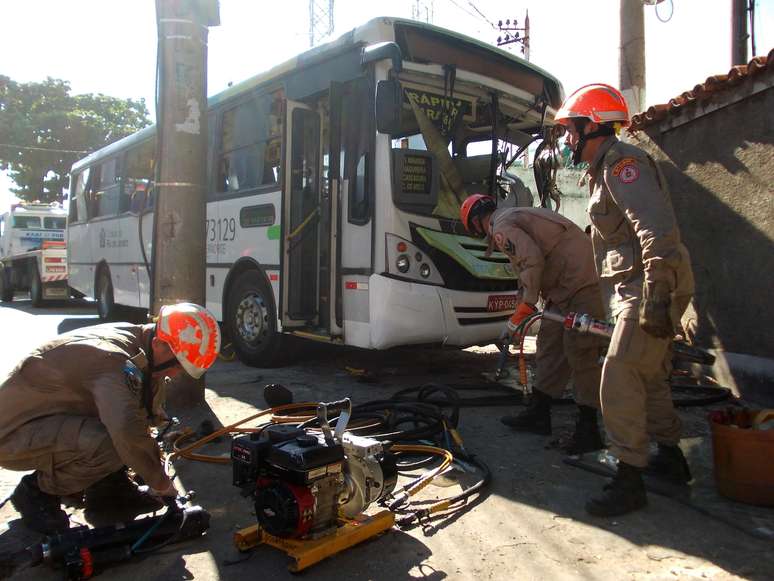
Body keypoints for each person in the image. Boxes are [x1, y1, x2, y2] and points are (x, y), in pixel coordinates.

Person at [554, 83, 695, 517]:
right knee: (647, 375)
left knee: (617, 373)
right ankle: (671, 458)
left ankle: (630, 477)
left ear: (592, 126)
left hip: (650, 286)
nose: (567, 140)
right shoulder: (600, 172)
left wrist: (656, 294)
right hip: (633, 288)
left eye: (572, 130)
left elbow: (656, 229)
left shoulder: (623, 165)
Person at [0, 303, 221, 534]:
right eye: (178, 365)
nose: (176, 373)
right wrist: (161, 484)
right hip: (12, 433)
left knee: (128, 427)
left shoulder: (140, 342)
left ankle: (109, 489)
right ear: (160, 344)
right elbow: (125, 428)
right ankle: (38, 492)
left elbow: (138, 416)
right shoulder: (113, 359)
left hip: (46, 419)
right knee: (110, 444)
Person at [459, 194, 607, 455]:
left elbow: (531, 261)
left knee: (580, 352)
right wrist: (520, 309)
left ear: (474, 224)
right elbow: (524, 269)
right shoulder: (508, 218)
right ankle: (539, 413)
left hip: (579, 284)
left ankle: (588, 430)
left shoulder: (502, 228)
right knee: (549, 344)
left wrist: (525, 308)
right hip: (562, 287)